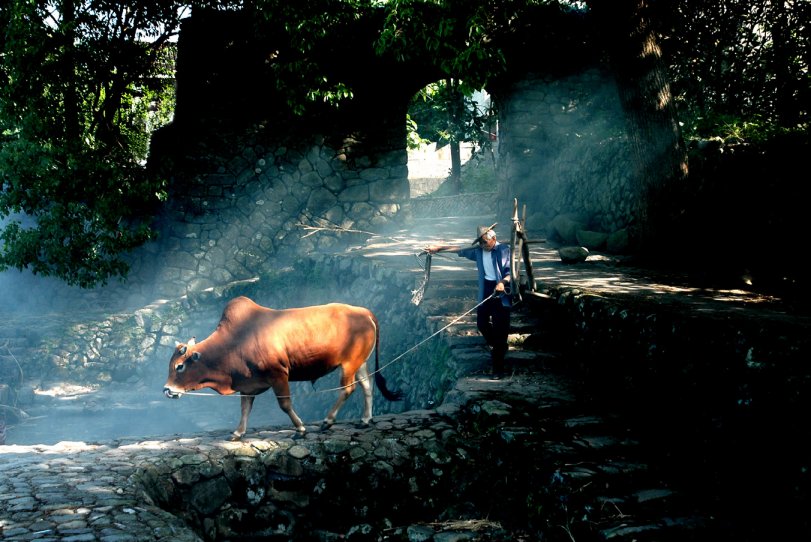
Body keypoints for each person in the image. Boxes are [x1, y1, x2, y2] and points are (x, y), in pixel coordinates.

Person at [424, 225, 512, 377]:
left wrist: (502, 282)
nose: (483, 245)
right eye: (481, 242)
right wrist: (438, 248)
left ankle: (498, 369)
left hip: (502, 291)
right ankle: (500, 346)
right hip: (486, 289)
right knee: (482, 324)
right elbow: (459, 249)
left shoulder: (504, 250)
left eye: (485, 242)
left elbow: (510, 273)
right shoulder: (478, 251)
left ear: (494, 239)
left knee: (500, 330)